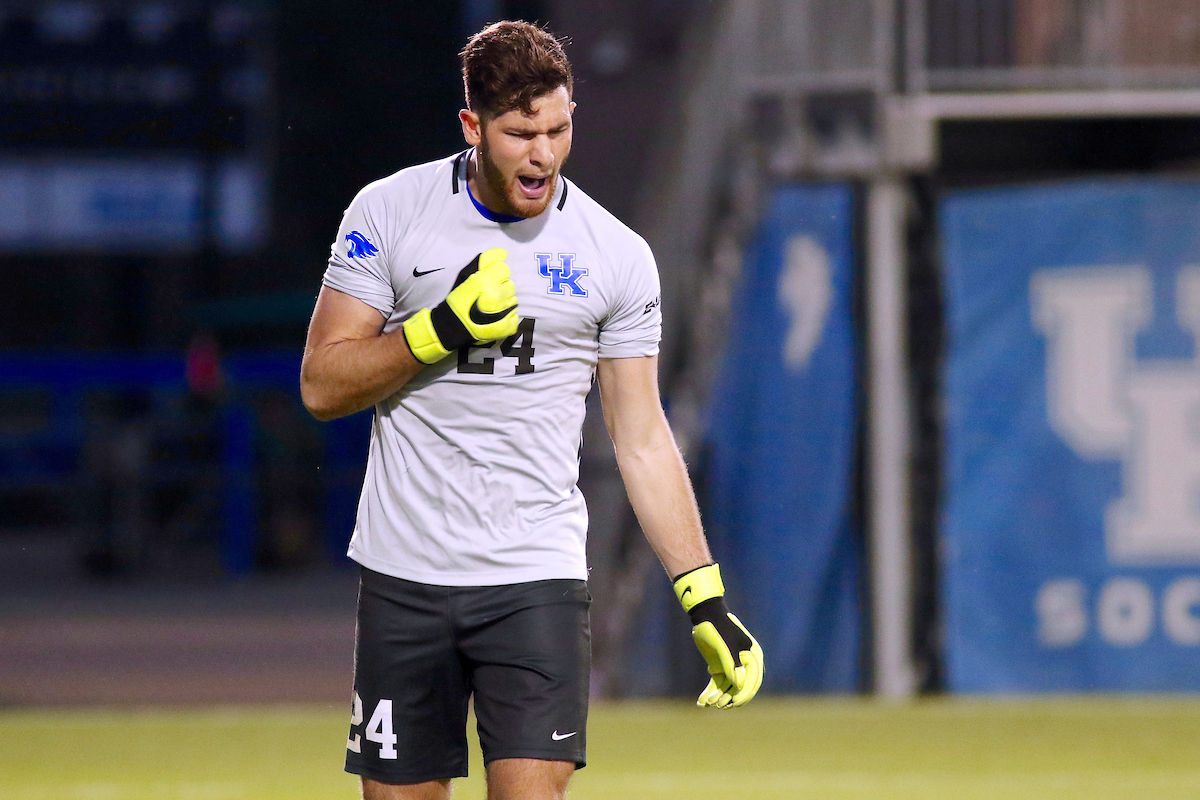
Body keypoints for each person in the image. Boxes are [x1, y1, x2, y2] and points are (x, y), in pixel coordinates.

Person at [300, 20, 763, 800]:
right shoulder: (388, 212)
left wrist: (702, 593)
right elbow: (322, 384)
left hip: (534, 577)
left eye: (559, 127)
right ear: (473, 127)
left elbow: (642, 438)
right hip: (404, 576)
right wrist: (436, 329)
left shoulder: (615, 255)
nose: (543, 154)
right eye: (520, 134)